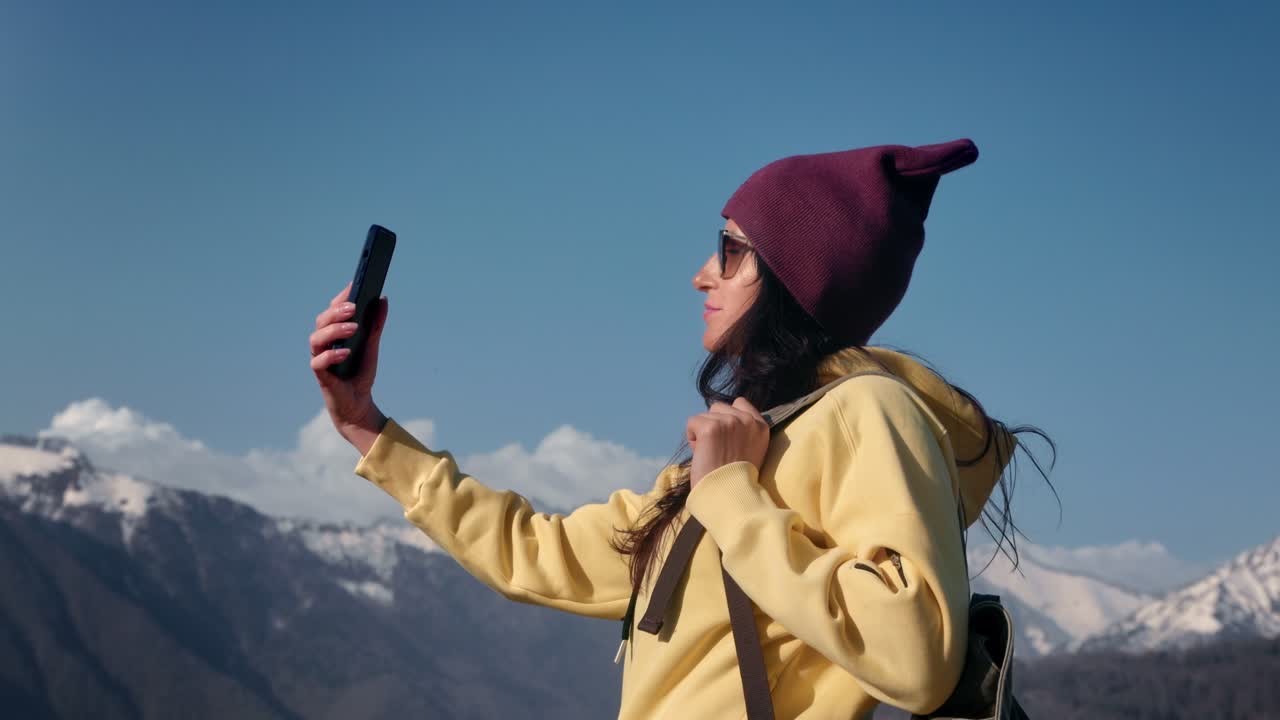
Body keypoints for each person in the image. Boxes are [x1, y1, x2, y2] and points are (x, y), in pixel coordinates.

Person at [308, 137, 1056, 719]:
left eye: (730, 250)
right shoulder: (744, 442)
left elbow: (918, 657)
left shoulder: (869, 416)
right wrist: (367, 428)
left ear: (797, 274)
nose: (702, 273)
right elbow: (536, 555)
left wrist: (732, 496)